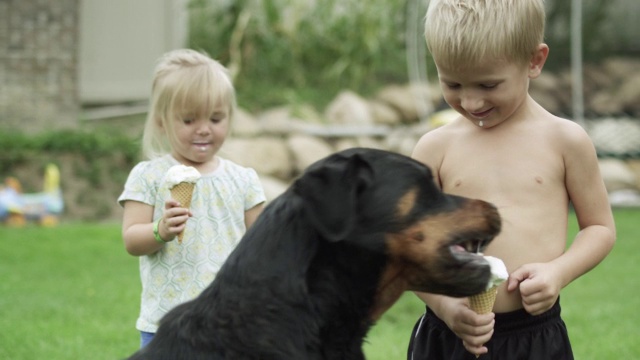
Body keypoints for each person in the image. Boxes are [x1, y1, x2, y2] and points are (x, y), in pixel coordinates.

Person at [407, 1, 616, 359]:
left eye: (488, 84)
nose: (471, 102)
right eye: (453, 83)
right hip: (450, 334)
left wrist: (557, 272)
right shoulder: (435, 149)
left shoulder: (564, 141)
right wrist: (445, 307)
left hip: (534, 335)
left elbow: (599, 228)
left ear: (534, 61)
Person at [118, 49, 266, 348]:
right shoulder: (148, 176)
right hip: (166, 323)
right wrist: (160, 230)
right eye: (188, 120)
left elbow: (264, 245)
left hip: (229, 322)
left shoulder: (243, 180)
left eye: (215, 118)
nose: (203, 129)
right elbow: (132, 240)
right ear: (162, 121)